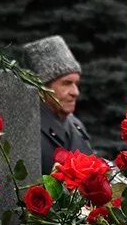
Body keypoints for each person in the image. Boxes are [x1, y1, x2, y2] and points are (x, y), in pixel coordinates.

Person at [22, 35, 94, 171]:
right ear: (42, 88)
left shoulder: (77, 125)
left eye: (76, 84)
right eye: (66, 83)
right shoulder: (28, 130)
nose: (75, 92)